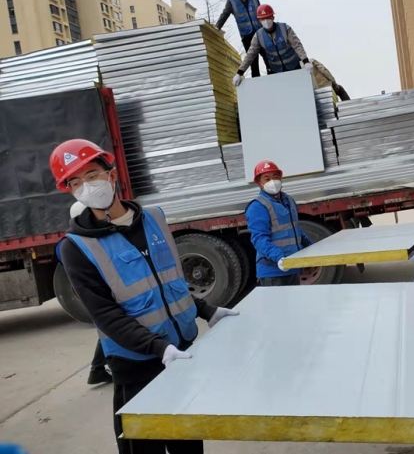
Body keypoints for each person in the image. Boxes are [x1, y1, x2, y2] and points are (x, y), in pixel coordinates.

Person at [51, 139, 239, 454]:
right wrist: (157, 347)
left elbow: (166, 284)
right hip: (136, 365)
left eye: (92, 175)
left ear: (112, 175)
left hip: (181, 353)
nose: (87, 186)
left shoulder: (155, 219)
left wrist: (206, 309)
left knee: (188, 444)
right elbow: (105, 314)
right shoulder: (76, 247)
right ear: (70, 191)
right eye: (76, 182)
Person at [245, 160, 313, 286]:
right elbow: (259, 239)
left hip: (292, 267)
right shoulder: (258, 206)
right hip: (273, 271)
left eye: (275, 176)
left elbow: (294, 229)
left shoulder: (289, 200)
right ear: (259, 183)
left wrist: (310, 246)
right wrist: (278, 257)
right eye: (267, 178)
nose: (273, 181)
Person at [70, 200, 114, 386]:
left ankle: (97, 369)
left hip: (91, 290)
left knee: (107, 328)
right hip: (95, 291)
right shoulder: (84, 240)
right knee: (109, 327)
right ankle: (97, 369)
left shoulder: (77, 239)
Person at [233, 5, 313, 86]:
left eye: (268, 17)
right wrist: (239, 73)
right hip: (276, 71)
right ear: (259, 20)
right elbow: (250, 55)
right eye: (263, 19)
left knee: (298, 88)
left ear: (272, 17)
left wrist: (305, 61)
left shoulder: (285, 28)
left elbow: (297, 45)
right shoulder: (258, 36)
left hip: (293, 67)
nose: (266, 21)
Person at [215, 0, 268, 78]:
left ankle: (274, 79)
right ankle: (257, 85)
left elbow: (261, 14)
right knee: (253, 64)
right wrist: (217, 27)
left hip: (260, 34)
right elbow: (225, 14)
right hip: (247, 37)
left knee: (269, 58)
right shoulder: (231, 1)